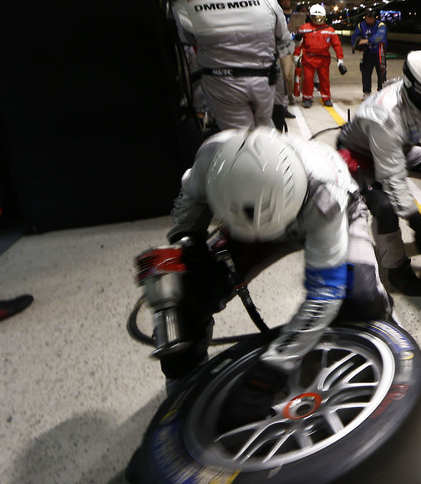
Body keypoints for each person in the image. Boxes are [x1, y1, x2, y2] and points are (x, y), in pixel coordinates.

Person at [136, 127, 391, 429]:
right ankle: (184, 398)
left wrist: (272, 370)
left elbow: (324, 293)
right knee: (188, 295)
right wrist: (188, 241)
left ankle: (384, 338)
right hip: (247, 224)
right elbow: (190, 203)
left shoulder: (326, 196)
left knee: (361, 297)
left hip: (331, 214)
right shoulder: (212, 158)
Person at [336, 51, 421, 295]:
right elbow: (392, 179)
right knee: (385, 207)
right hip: (358, 157)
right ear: (419, 91)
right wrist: (417, 223)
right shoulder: (385, 115)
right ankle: (397, 271)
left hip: (397, 149)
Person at [172, 0, 293, 129]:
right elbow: (284, 40)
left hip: (222, 83)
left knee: (239, 138)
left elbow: (187, 41)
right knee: (265, 130)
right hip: (264, 81)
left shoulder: (184, 5)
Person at [296, 4, 346, 108]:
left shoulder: (329, 30)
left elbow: (336, 44)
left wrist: (340, 58)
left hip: (324, 59)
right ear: (311, 17)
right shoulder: (304, 28)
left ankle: (326, 98)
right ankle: (307, 98)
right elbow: (298, 43)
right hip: (308, 58)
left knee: (324, 79)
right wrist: (296, 55)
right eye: (315, 17)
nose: (318, 20)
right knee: (308, 79)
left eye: (320, 18)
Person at [351, 12, 389, 96]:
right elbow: (354, 37)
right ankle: (366, 92)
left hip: (380, 52)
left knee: (381, 73)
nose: (369, 20)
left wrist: (367, 40)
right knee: (366, 73)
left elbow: (380, 37)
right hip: (368, 52)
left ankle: (381, 92)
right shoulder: (361, 25)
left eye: (371, 19)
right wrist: (356, 46)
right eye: (367, 19)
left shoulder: (381, 25)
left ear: (374, 18)